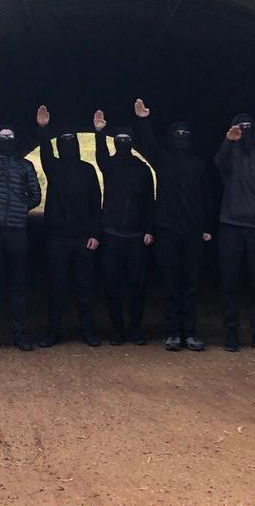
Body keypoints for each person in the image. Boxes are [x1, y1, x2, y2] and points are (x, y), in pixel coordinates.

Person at [134, 98, 212, 351]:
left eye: (185, 135)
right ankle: (172, 333)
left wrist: (206, 227)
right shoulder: (163, 161)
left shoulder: (199, 164)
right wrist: (143, 120)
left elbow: (206, 196)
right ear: (171, 137)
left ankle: (190, 332)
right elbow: (148, 145)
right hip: (168, 229)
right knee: (170, 282)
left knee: (190, 283)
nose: (181, 138)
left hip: (192, 232)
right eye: (177, 135)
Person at [36, 105, 102, 348]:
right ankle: (53, 331)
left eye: (70, 142)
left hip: (83, 238)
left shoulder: (88, 170)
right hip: (58, 238)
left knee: (85, 286)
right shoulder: (53, 167)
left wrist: (96, 233)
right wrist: (43, 130)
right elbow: (44, 153)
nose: (67, 145)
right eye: (62, 142)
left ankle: (88, 331)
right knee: (57, 286)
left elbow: (97, 202)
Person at [214, 114, 255, 353]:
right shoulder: (229, 157)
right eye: (239, 127)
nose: (244, 132)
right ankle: (231, 331)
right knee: (229, 281)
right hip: (230, 225)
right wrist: (228, 142)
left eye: (247, 128)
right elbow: (219, 164)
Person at [0, 120, 41, 352]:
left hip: (17, 233)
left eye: (8, 138)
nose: (5, 141)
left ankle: (20, 333)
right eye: (1, 138)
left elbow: (35, 195)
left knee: (18, 284)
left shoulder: (25, 166)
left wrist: (19, 208)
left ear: (15, 142)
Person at [93, 109, 154, 345]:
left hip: (137, 235)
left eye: (126, 141)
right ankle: (117, 330)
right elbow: (100, 157)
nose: (123, 144)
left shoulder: (143, 169)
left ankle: (136, 328)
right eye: (119, 141)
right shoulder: (110, 166)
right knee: (112, 284)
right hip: (111, 233)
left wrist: (150, 228)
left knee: (137, 285)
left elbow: (150, 200)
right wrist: (99, 133)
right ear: (115, 143)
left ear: (132, 144)